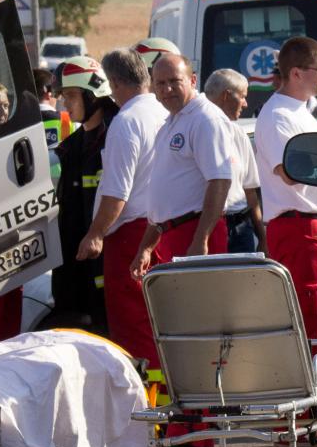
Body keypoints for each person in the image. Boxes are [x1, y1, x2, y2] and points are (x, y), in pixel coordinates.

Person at [78, 48, 169, 368]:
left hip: (131, 236)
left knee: (133, 328)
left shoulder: (126, 122)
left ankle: (144, 407)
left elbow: (116, 191)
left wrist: (95, 234)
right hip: (161, 228)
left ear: (115, 82)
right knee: (159, 324)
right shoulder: (163, 113)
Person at [255, 36, 317, 346]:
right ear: (296, 73)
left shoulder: (298, 112)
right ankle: (313, 388)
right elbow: (290, 172)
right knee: (310, 312)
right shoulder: (279, 116)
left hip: (311, 225)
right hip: (300, 226)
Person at [132, 53, 234, 277]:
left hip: (195, 233)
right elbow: (166, 194)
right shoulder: (172, 122)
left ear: (192, 81)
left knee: (202, 310)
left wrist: (201, 240)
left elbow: (220, 181)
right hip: (173, 234)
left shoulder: (205, 119)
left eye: (174, 81)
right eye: (160, 83)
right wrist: (146, 247)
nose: (167, 89)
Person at [52, 57, 119, 327]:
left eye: (70, 95)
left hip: (105, 261)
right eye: (62, 96)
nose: (65, 103)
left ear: (93, 95)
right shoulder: (71, 147)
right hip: (75, 266)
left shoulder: (115, 138)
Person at [204, 68, 263, 254]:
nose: (246, 104)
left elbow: (250, 192)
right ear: (226, 96)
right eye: (243, 97)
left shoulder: (238, 133)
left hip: (241, 229)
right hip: (209, 228)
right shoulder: (198, 129)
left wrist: (263, 238)